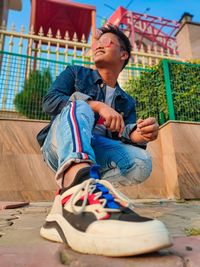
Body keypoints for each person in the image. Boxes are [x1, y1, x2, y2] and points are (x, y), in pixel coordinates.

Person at [37, 25, 172, 256]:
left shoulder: (126, 101)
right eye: (97, 42)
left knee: (142, 160)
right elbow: (50, 101)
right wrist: (97, 105)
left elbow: (123, 137)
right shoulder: (76, 73)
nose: (99, 44)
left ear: (123, 54)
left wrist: (139, 134)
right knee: (78, 104)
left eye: (107, 41)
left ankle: (78, 192)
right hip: (58, 145)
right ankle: (77, 191)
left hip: (97, 153)